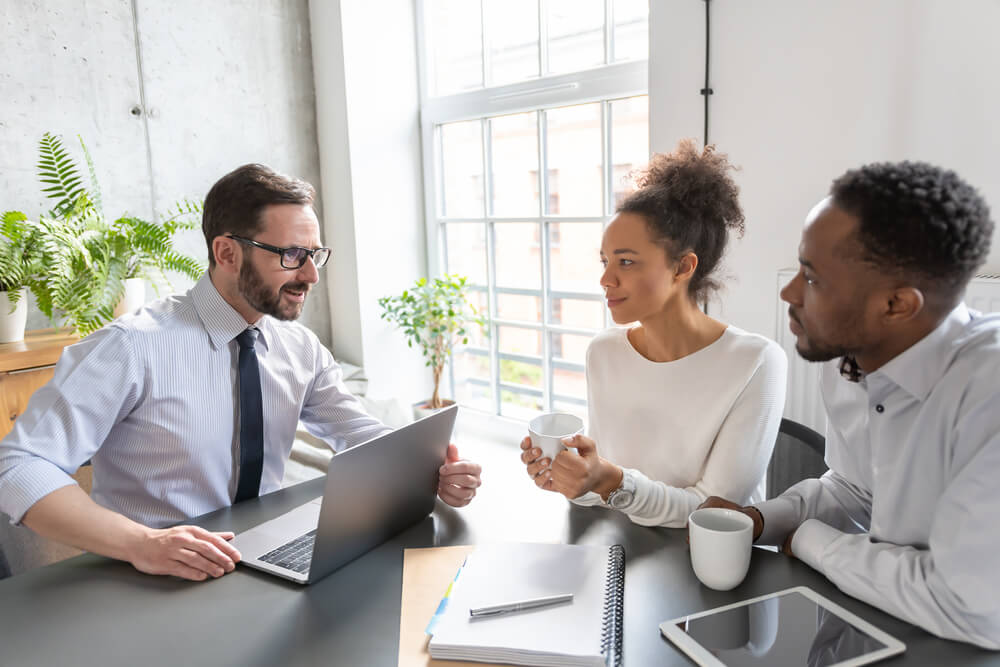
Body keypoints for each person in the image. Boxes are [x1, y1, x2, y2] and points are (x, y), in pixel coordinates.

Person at [0, 163, 482, 582]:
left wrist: (430, 472)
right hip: (145, 573)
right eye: (292, 255)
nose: (311, 276)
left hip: (263, 558)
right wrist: (142, 543)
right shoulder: (129, 348)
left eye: (315, 255)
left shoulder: (300, 349)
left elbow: (360, 435)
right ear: (227, 253)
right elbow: (18, 467)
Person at [700, 160, 1000, 648]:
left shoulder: (988, 391)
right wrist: (761, 520)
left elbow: (969, 606)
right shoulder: (847, 357)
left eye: (813, 279)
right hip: (866, 628)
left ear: (896, 305)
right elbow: (857, 490)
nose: (788, 292)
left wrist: (812, 542)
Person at [519, 140, 787, 527]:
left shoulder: (756, 362)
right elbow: (603, 497)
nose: (606, 278)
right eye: (605, 260)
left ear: (682, 268)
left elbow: (715, 515)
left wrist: (610, 480)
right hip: (624, 554)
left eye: (626, 261)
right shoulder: (604, 352)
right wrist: (574, 478)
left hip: (708, 568)